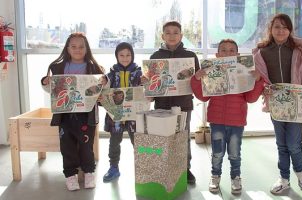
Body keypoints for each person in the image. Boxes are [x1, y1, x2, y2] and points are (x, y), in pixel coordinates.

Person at [252, 13, 302, 194]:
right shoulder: (261, 52)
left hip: (297, 105)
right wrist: (266, 88)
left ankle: (300, 171)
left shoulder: (299, 49)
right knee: (281, 144)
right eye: (277, 27)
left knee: (294, 143)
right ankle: (284, 179)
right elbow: (261, 79)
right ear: (270, 30)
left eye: (285, 27)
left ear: (290, 30)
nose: (281, 31)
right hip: (277, 104)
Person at [190, 39, 265, 194]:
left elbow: (251, 98)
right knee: (217, 153)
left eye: (231, 50)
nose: (227, 53)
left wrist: (258, 81)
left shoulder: (244, 72)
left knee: (234, 153)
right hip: (216, 120)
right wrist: (197, 79)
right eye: (223, 50)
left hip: (237, 121)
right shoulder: (211, 72)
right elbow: (203, 97)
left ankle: (235, 177)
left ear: (237, 54)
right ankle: (215, 176)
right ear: (217, 55)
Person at [40, 32, 105, 191]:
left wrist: (105, 81)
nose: (77, 49)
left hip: (86, 115)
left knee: (86, 145)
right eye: (73, 46)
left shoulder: (94, 67)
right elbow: (51, 89)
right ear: (67, 48)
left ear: (86, 48)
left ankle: (89, 172)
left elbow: (103, 90)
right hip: (65, 115)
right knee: (67, 146)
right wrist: (45, 82)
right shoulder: (58, 66)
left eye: (81, 46)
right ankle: (70, 175)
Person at [150, 20, 200, 184]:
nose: (172, 36)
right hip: (161, 105)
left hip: (184, 104)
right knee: (163, 137)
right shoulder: (155, 57)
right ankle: (164, 169)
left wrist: (198, 78)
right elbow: (152, 82)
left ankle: (185, 169)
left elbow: (197, 80)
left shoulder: (190, 56)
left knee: (183, 137)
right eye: (168, 32)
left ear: (181, 35)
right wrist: (147, 81)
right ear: (162, 35)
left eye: (175, 32)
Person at [102, 42, 142, 182]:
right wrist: (103, 81)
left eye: (128, 55)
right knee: (114, 142)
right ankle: (113, 168)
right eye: (121, 55)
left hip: (134, 116)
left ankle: (142, 169)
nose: (125, 58)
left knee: (137, 142)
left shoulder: (138, 72)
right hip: (116, 115)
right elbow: (106, 85)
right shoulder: (112, 73)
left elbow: (143, 88)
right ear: (116, 56)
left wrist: (145, 81)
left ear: (132, 56)